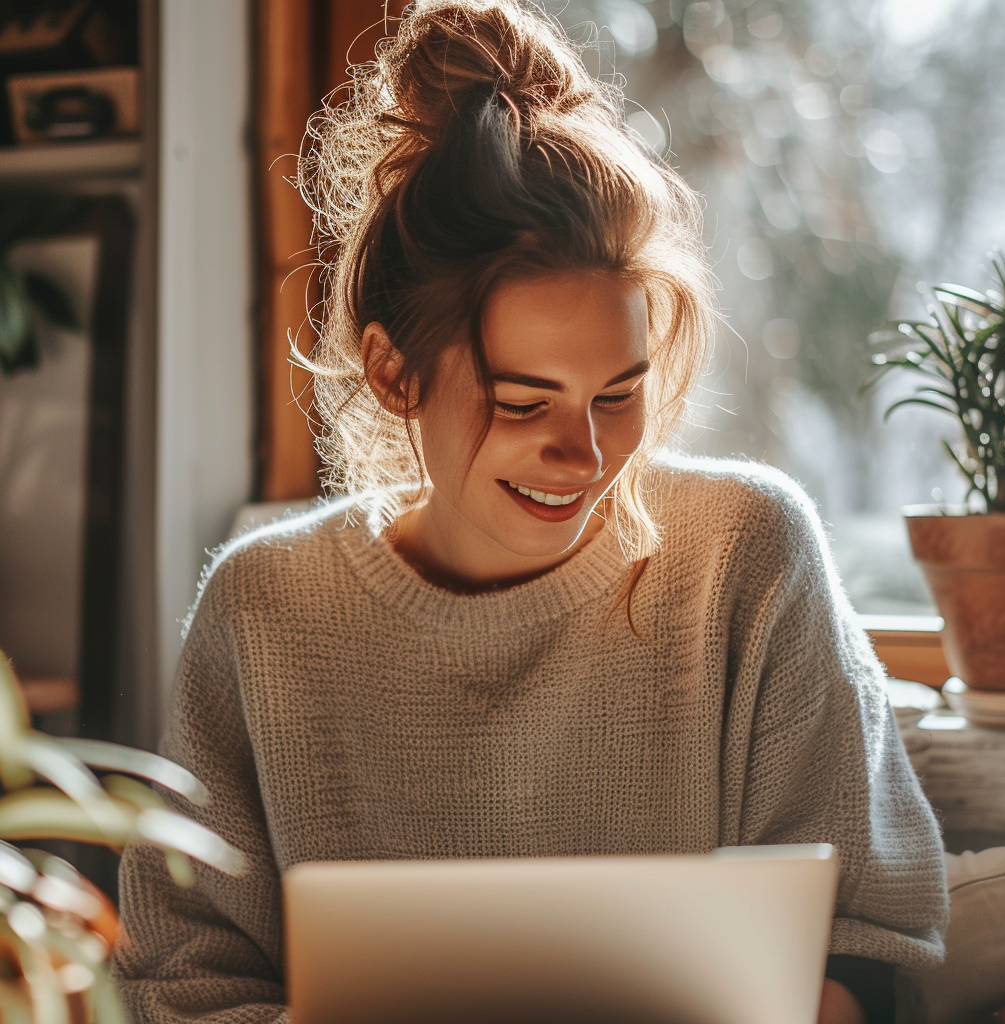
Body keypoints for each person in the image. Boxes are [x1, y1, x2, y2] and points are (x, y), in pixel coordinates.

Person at [111, 2, 948, 1022]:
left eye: (618, 392)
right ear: (391, 370)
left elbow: (863, 947)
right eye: (522, 402)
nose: (584, 456)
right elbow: (177, 983)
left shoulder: (744, 555)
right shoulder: (264, 612)